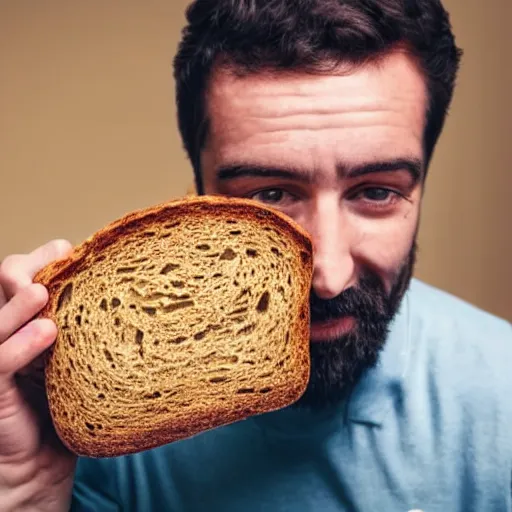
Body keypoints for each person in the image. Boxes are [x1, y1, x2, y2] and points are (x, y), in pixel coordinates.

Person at [1, 0, 511, 510]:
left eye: (376, 192)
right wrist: (29, 491)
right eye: (270, 195)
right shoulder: (79, 427)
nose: (328, 276)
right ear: (197, 196)